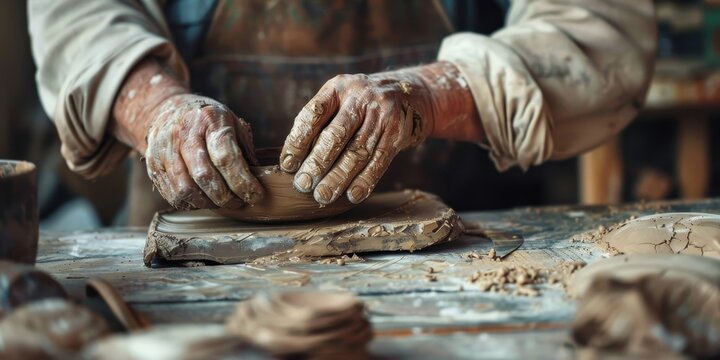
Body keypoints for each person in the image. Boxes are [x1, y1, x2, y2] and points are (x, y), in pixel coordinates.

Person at [28, 0, 656, 223]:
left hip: (451, 253)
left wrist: (433, 93)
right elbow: (77, 12)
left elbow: (603, 26)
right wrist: (158, 108)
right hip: (199, 242)